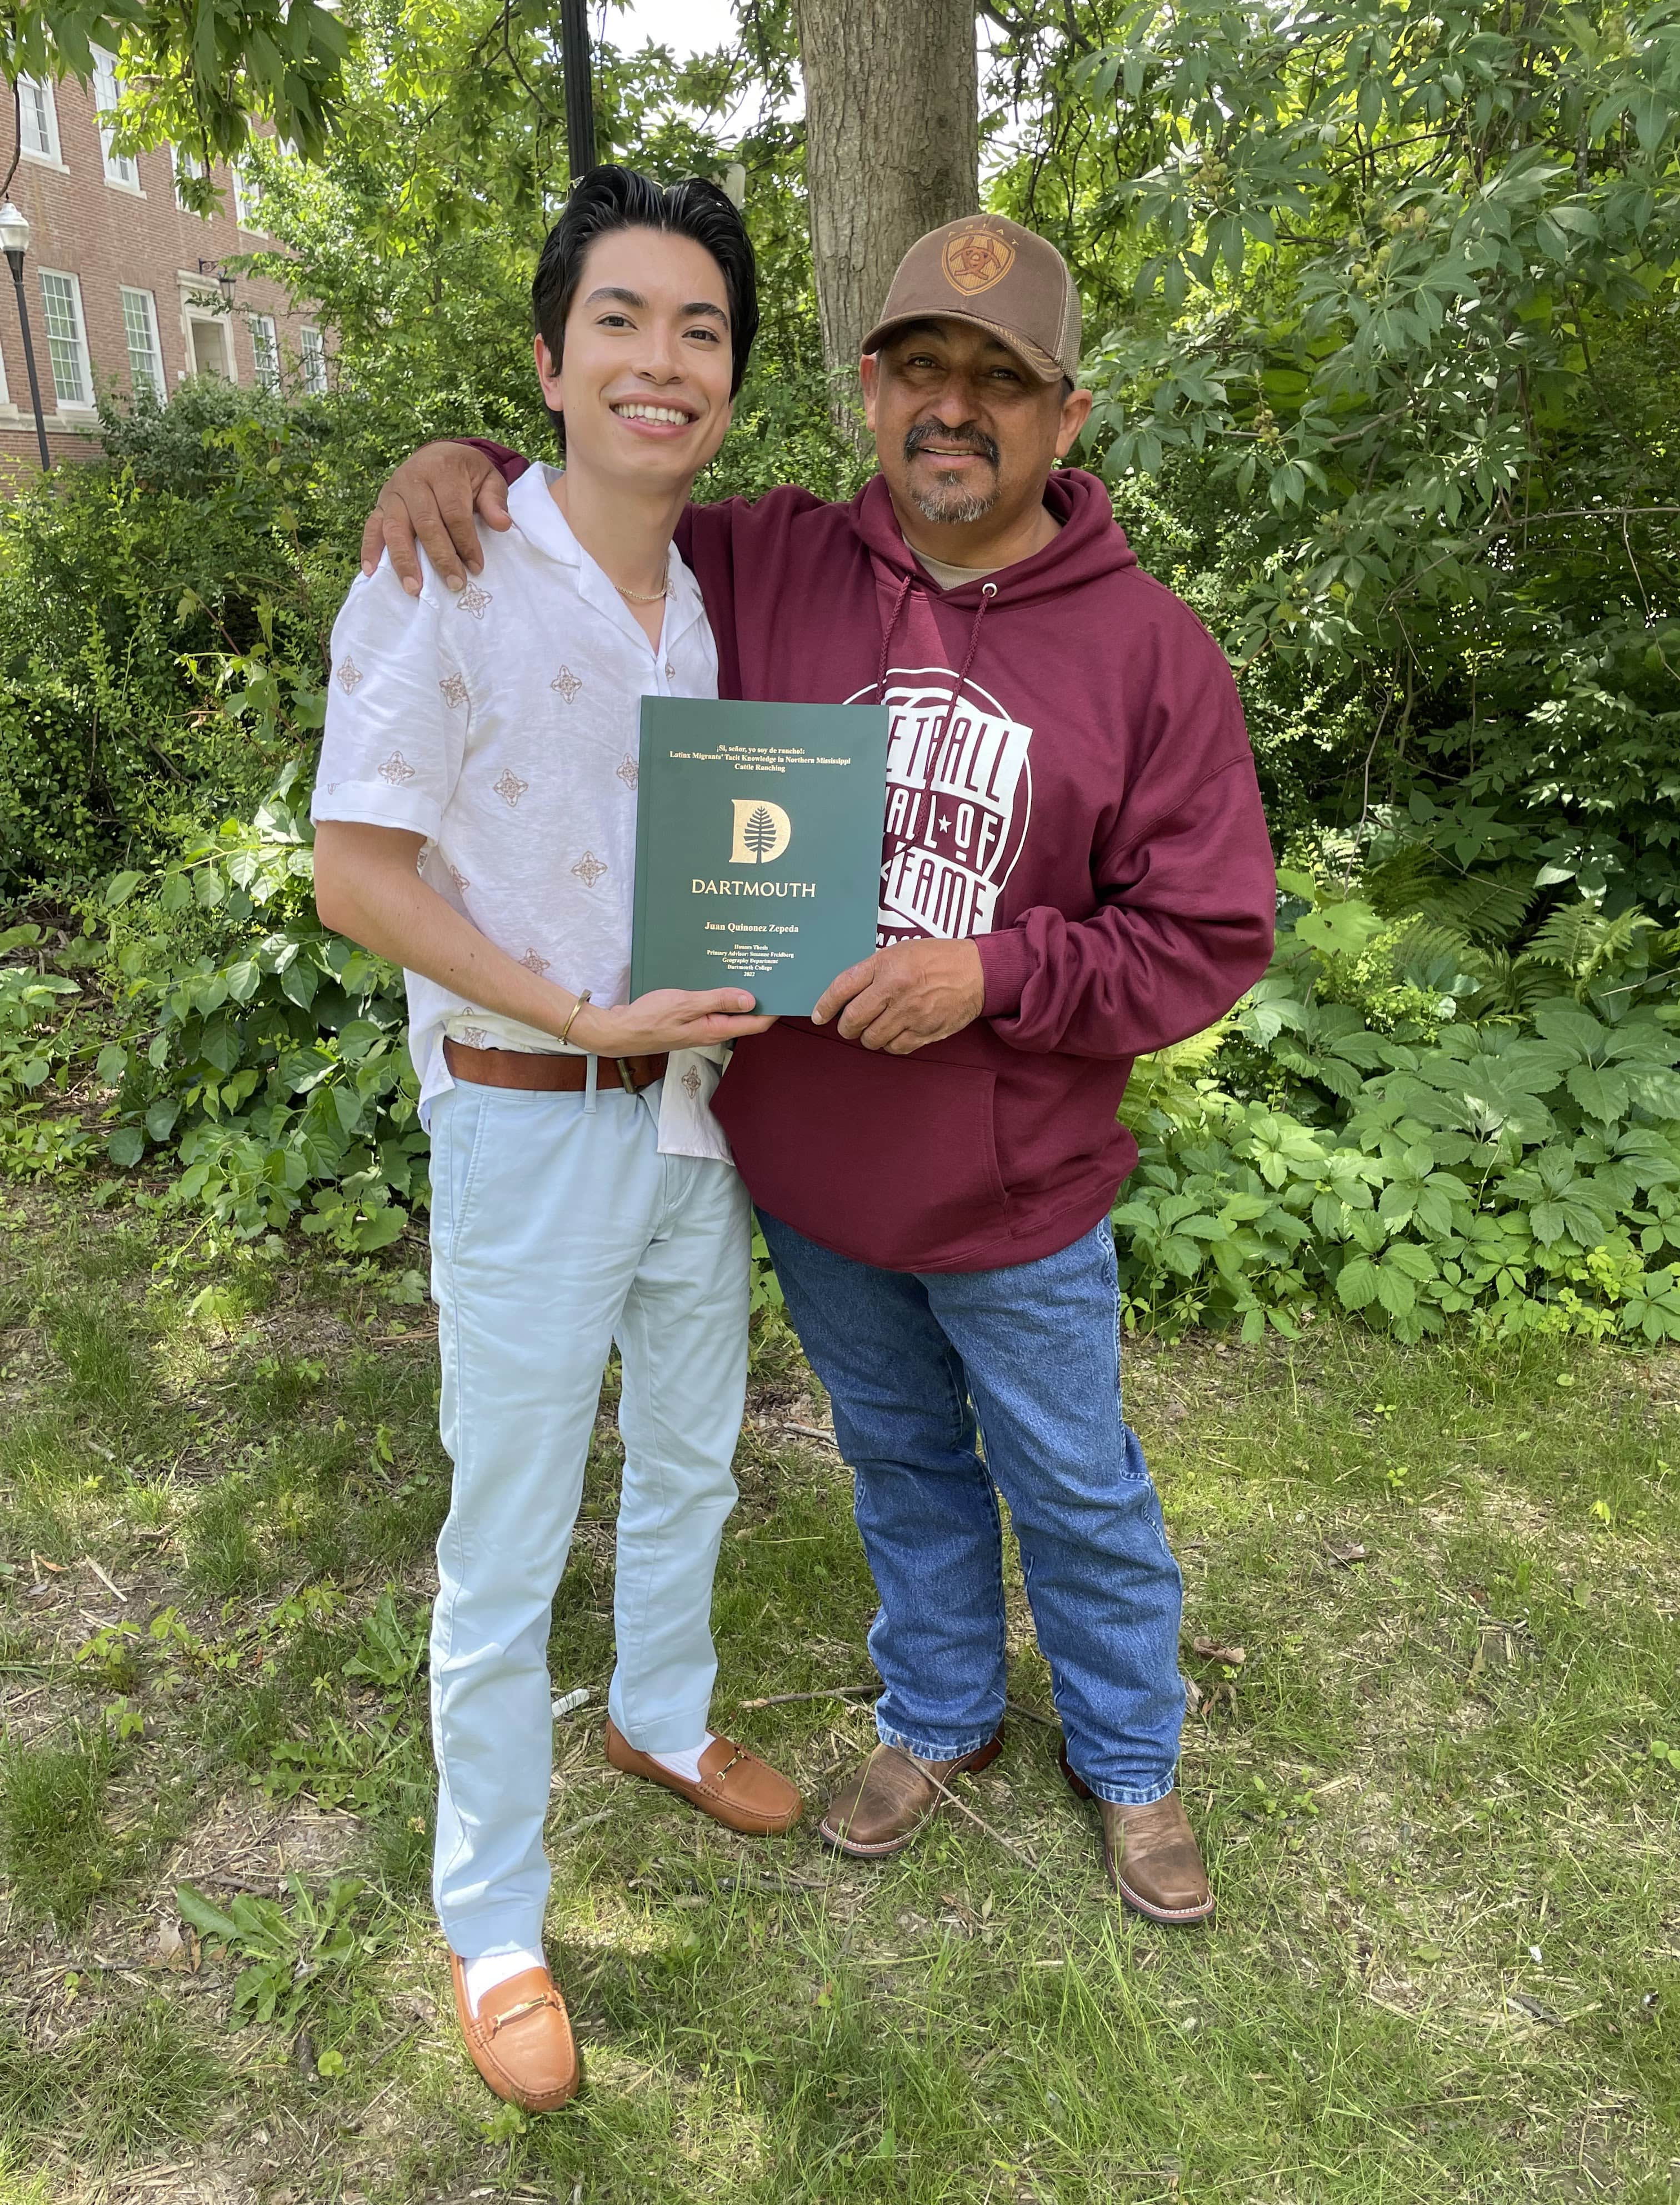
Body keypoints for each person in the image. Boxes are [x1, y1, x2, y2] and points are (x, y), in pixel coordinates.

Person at [361, 210, 1276, 1925]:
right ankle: (938, 1716)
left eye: (1002, 381)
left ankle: (1133, 1756)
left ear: (1066, 419)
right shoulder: (768, 560)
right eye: (924, 367)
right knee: (905, 1464)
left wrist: (994, 974)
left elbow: (1209, 936)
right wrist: (462, 457)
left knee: (1075, 1482)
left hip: (1020, 1190)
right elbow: (600, 495)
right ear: (869, 391)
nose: (957, 407)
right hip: (813, 1175)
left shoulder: (1153, 651)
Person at [311, 167, 802, 2118]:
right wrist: (576, 1012)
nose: (659, 362)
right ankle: (492, 1919)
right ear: (548, 357)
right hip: (527, 1119)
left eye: (699, 331)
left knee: (692, 1453)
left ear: (731, 382)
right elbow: (357, 872)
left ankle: (663, 1722)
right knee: (504, 1545)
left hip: (695, 1123)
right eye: (621, 321)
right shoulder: (441, 561)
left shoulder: (710, 597)